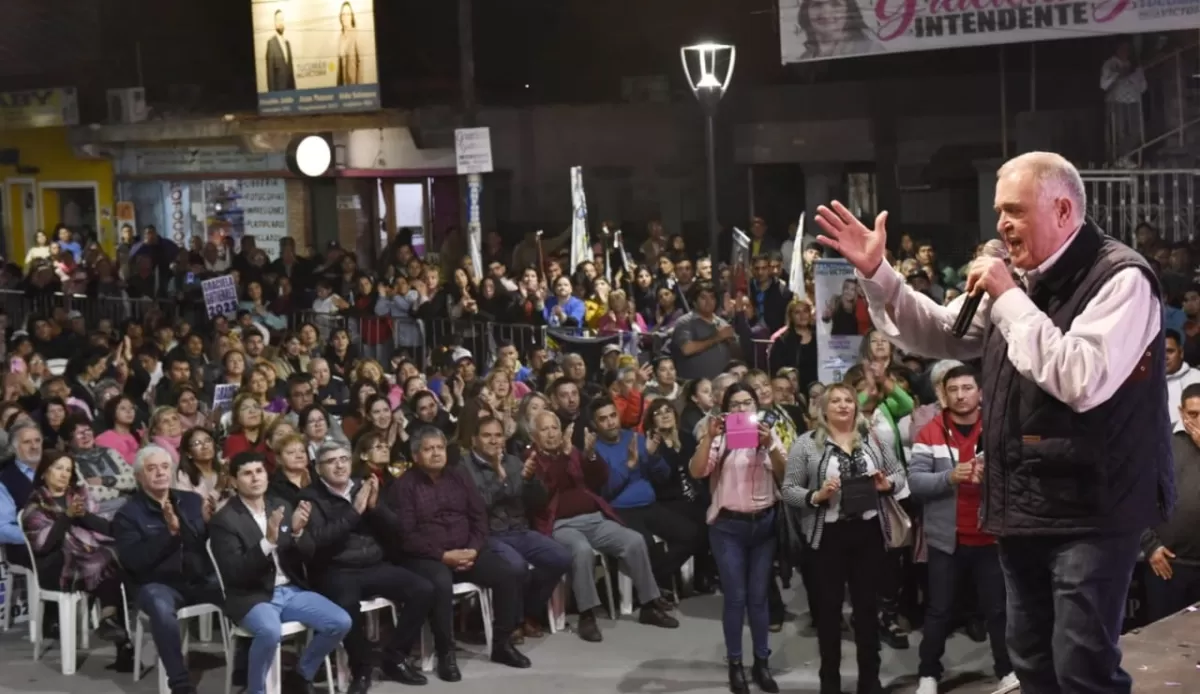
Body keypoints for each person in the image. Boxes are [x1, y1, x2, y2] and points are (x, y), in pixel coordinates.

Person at [813, 151, 1174, 693]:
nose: (1001, 225)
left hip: (1093, 509)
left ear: (1062, 209)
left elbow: (1080, 377)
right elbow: (934, 332)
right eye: (998, 212)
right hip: (1022, 503)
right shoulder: (1021, 279)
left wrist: (1006, 293)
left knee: (1082, 665)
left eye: (1014, 211)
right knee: (1031, 660)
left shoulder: (1121, 279)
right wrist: (878, 274)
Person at [782, 383, 907, 694]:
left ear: (855, 405)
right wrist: (817, 495)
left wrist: (885, 484)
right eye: (835, 400)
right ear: (823, 409)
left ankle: (869, 681)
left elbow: (899, 473)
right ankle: (830, 683)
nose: (842, 405)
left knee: (867, 610)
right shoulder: (806, 444)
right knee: (828, 612)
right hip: (827, 537)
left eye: (848, 400)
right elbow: (788, 490)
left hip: (867, 534)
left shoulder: (872, 440)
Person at [386, 426, 532, 679]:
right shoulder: (405, 486)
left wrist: (473, 549)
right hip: (426, 556)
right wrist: (444, 556)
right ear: (416, 455)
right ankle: (446, 654)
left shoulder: (458, 476)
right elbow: (407, 536)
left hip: (467, 549)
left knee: (508, 572)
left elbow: (479, 517)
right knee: (440, 582)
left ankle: (501, 643)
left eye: (440, 448)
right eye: (428, 449)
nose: (436, 454)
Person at [906, 366, 1017, 694]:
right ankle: (928, 674)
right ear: (944, 393)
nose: (960, 395)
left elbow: (1019, 473)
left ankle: (1007, 670)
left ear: (980, 392)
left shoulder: (998, 427)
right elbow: (915, 482)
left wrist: (994, 479)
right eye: (953, 389)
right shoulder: (930, 431)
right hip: (947, 539)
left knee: (997, 610)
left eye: (967, 388)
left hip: (990, 536)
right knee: (939, 610)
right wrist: (950, 477)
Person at [209, 452, 352, 694]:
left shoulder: (281, 506)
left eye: (259, 471)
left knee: (340, 622)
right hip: (251, 595)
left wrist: (297, 532)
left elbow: (306, 554)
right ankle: (257, 690)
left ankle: (301, 674)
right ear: (234, 481)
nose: (255, 478)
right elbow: (235, 574)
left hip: (289, 590)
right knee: (270, 631)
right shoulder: (225, 520)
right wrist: (268, 542)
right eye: (247, 473)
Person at [296, 442, 433, 692]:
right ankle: (361, 667)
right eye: (331, 461)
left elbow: (397, 528)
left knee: (423, 589)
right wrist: (354, 511)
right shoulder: (309, 497)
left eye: (344, 459)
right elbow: (317, 542)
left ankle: (394, 656)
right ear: (318, 468)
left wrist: (375, 508)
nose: (339, 465)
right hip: (335, 569)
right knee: (346, 606)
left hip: (373, 564)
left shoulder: (364, 486)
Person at [689, 384, 787, 694]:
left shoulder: (769, 435)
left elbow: (786, 476)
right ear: (727, 408)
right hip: (728, 527)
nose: (743, 408)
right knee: (735, 597)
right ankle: (735, 665)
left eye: (748, 403)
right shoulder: (719, 438)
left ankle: (761, 663)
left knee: (758, 599)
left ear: (756, 407)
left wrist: (770, 445)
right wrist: (709, 436)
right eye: (736, 404)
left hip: (764, 526)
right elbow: (697, 471)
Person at [113, 445, 221, 694]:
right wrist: (169, 534)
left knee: (238, 587)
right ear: (140, 477)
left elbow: (204, 546)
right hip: (156, 584)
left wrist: (207, 525)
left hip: (196, 579)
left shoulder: (192, 501)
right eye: (152, 469)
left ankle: (246, 663)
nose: (161, 473)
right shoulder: (128, 515)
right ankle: (180, 684)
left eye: (165, 467)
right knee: (160, 605)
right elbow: (134, 561)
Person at [464, 416, 571, 641]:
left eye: (498, 435)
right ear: (474, 440)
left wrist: (530, 480)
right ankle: (512, 621)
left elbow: (539, 500)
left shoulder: (513, 461)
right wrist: (501, 480)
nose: (494, 441)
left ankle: (528, 614)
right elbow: (477, 506)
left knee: (559, 557)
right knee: (515, 566)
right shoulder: (464, 467)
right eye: (487, 436)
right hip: (488, 535)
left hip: (520, 530)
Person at [265, 9, 296, 92]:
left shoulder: (287, 44)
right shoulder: (271, 44)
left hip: (290, 93)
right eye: (278, 20)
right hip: (279, 96)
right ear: (274, 24)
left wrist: (295, 94)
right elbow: (270, 76)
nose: (280, 22)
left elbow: (291, 73)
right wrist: (273, 97)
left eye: (282, 20)